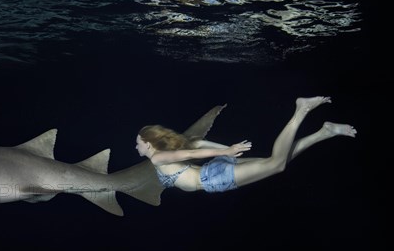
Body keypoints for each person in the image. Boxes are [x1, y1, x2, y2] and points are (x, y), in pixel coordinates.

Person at [135, 96, 357, 192]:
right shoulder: (164, 153)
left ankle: (301, 110)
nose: (136, 147)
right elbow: (198, 142)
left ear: (148, 144)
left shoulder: (157, 158)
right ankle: (324, 132)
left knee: (277, 164)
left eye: (138, 143)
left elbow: (186, 155)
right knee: (277, 162)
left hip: (214, 178)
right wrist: (227, 150)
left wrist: (229, 150)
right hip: (214, 170)